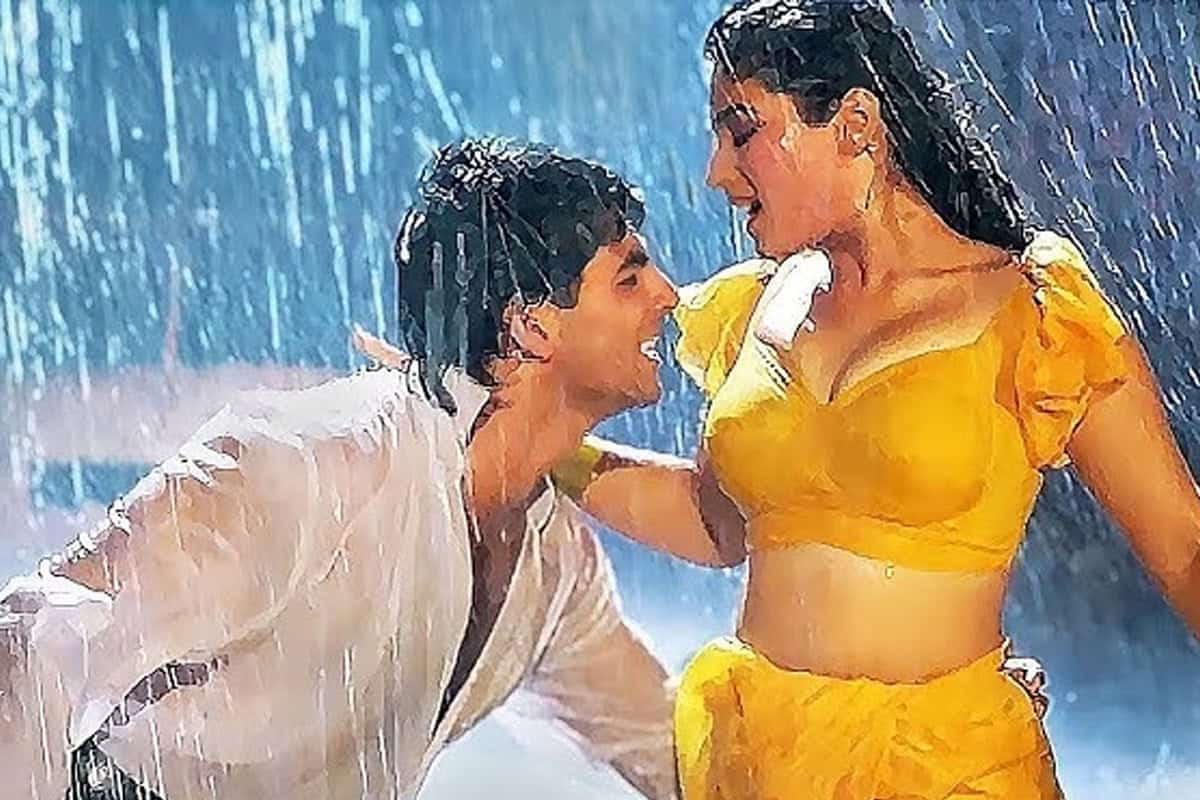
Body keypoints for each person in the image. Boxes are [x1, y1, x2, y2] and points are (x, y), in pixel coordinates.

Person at [552, 2, 1200, 798]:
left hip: (948, 773)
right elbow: (715, 524)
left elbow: (1183, 545)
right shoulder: (753, 307)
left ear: (855, 123)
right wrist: (547, 449)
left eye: (742, 131)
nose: (717, 172)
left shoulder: (1033, 315)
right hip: (754, 764)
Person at [0, 138, 680, 800]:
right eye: (629, 279)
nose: (668, 295)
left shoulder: (554, 560)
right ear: (530, 325)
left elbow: (671, 750)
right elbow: (32, 643)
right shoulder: (309, 464)